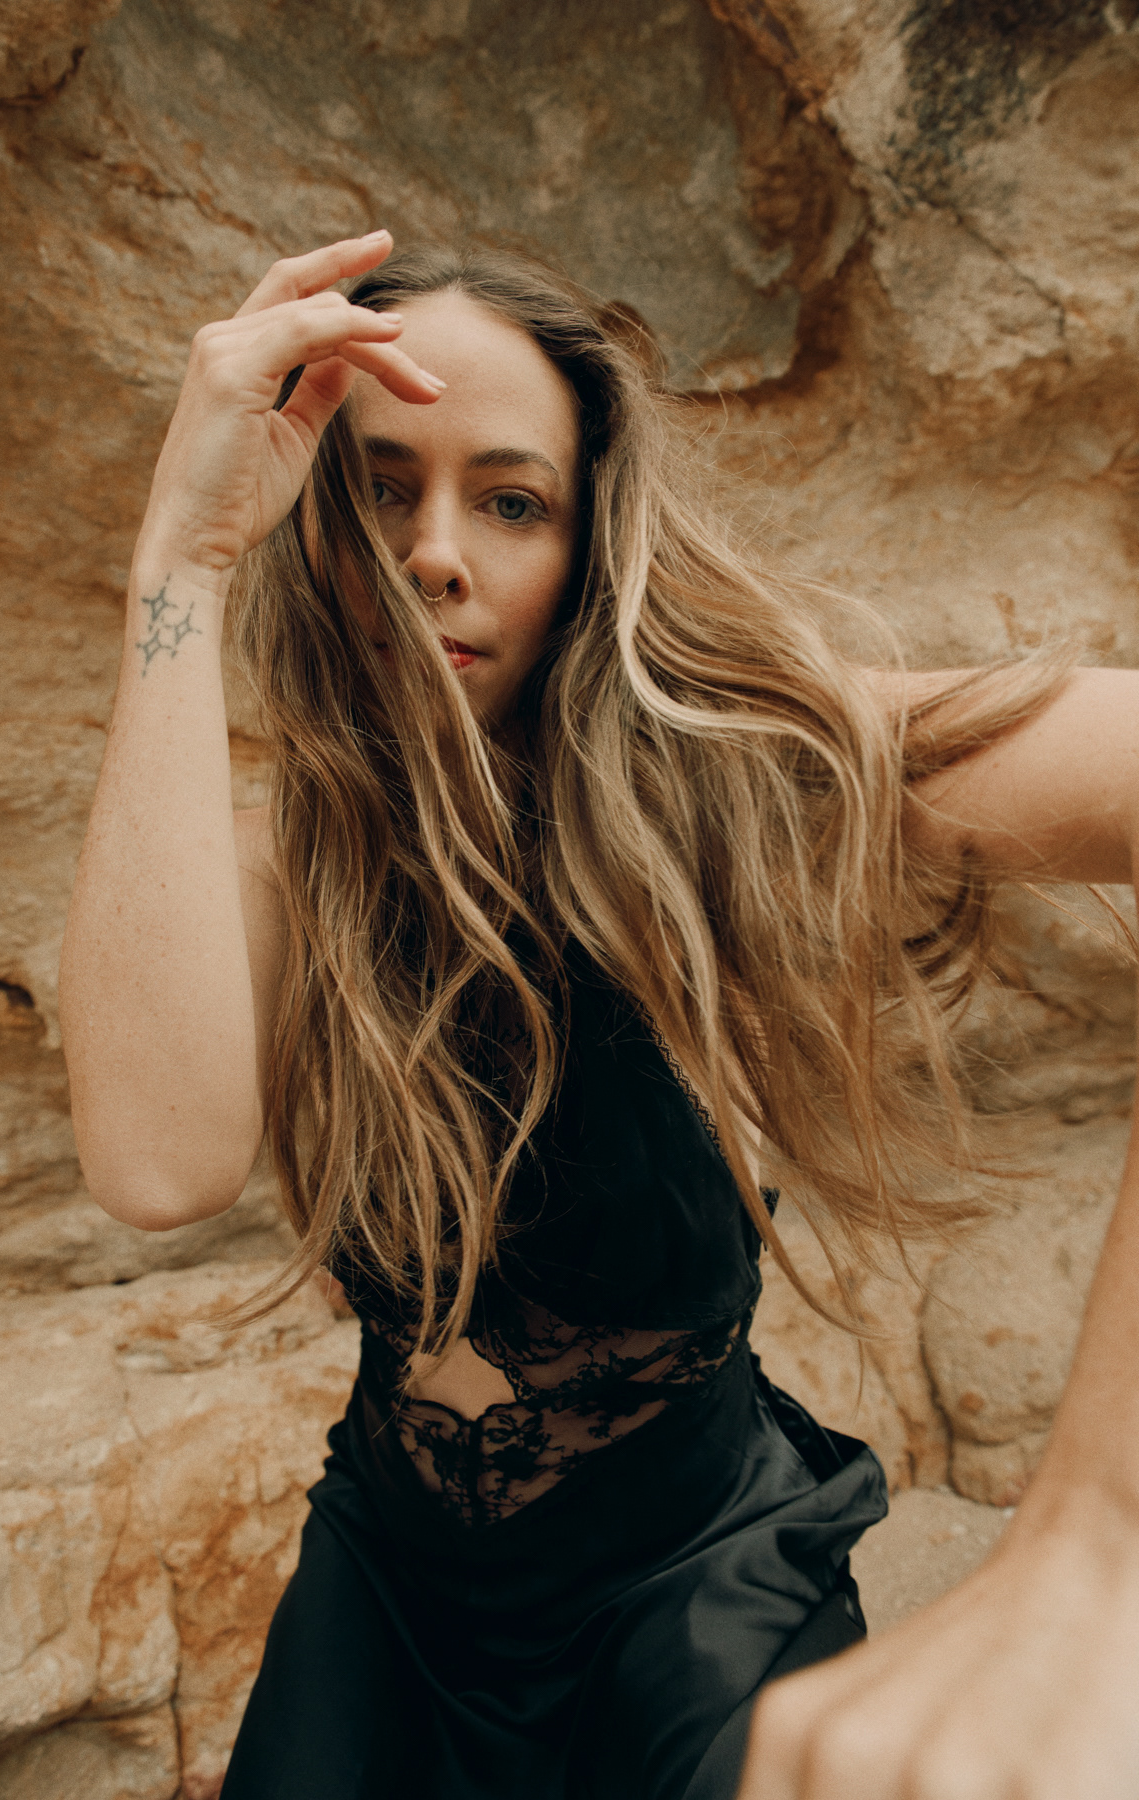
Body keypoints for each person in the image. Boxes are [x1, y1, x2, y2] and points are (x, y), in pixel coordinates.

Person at [59, 230, 1139, 1800]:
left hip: (694, 1591)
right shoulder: (280, 860)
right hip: (392, 1593)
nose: (438, 552)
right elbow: (157, 1167)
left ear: (587, 541)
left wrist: (1098, 1538)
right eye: (380, 488)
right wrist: (185, 553)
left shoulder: (737, 782)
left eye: (511, 502)